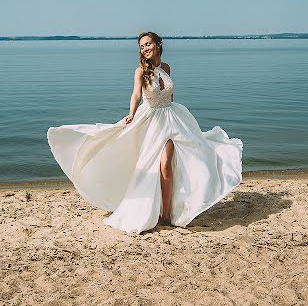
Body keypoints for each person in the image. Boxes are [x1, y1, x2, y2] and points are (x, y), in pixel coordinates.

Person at [47, 31, 243, 234]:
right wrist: (131, 114)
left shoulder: (166, 68)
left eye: (148, 44)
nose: (145, 49)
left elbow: (170, 94)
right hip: (151, 120)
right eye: (141, 46)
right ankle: (159, 210)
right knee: (158, 164)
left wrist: (176, 115)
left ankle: (167, 213)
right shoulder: (141, 71)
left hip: (173, 117)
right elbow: (136, 94)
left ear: (158, 45)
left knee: (180, 160)